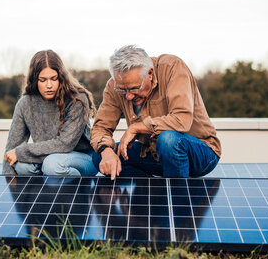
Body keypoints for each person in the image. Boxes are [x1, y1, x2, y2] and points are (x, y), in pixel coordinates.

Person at [91, 45, 221, 179]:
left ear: (150, 73)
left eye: (134, 88)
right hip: (153, 153)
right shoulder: (114, 85)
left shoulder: (172, 67)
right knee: (98, 156)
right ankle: (152, 191)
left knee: (168, 140)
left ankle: (176, 195)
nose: (128, 96)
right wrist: (105, 151)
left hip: (201, 153)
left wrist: (136, 128)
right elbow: (100, 128)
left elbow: (182, 120)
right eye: (123, 90)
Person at [3, 50, 98, 176]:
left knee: (52, 165)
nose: (49, 85)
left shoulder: (77, 99)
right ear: (34, 80)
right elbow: (11, 150)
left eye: (54, 79)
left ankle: (78, 191)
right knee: (20, 165)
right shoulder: (25, 104)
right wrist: (6, 182)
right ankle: (47, 191)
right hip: (47, 158)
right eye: (42, 80)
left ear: (61, 77)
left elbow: (65, 144)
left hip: (84, 158)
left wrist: (22, 152)